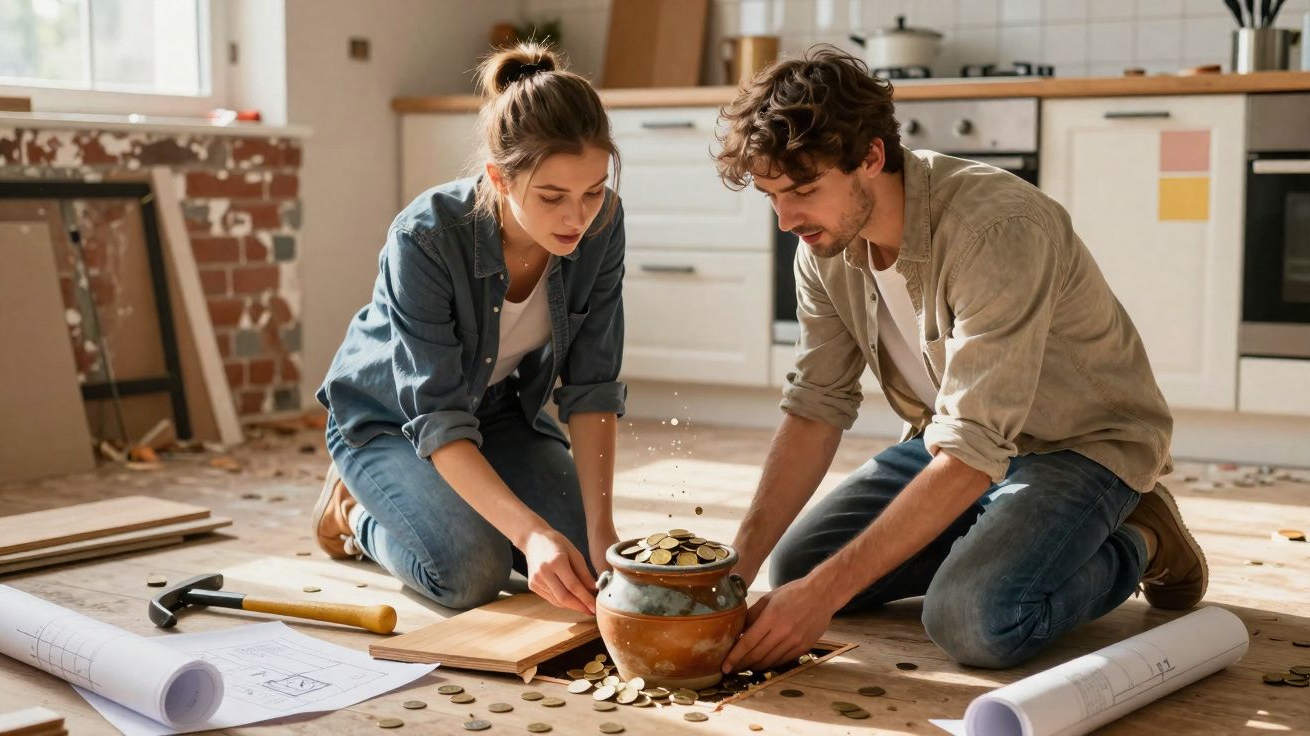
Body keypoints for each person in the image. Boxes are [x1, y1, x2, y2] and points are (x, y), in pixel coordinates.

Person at [713, 47, 1206, 672]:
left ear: (870, 156)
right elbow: (816, 405)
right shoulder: (824, 247)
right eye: (771, 196)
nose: (786, 219)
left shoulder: (995, 229)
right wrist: (733, 574)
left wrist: (823, 597)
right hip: (952, 442)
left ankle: (1146, 536)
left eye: (804, 190)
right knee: (795, 569)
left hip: (1077, 444)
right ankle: (999, 534)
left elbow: (973, 449)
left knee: (972, 619)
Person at [311, 42, 627, 615]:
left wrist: (602, 531)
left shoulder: (602, 225)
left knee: (587, 556)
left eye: (593, 191)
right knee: (470, 571)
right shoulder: (425, 238)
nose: (577, 218)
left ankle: (481, 518)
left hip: (498, 412)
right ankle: (353, 512)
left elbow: (593, 386)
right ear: (499, 181)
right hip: (390, 420)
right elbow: (435, 415)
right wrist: (530, 536)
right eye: (552, 197)